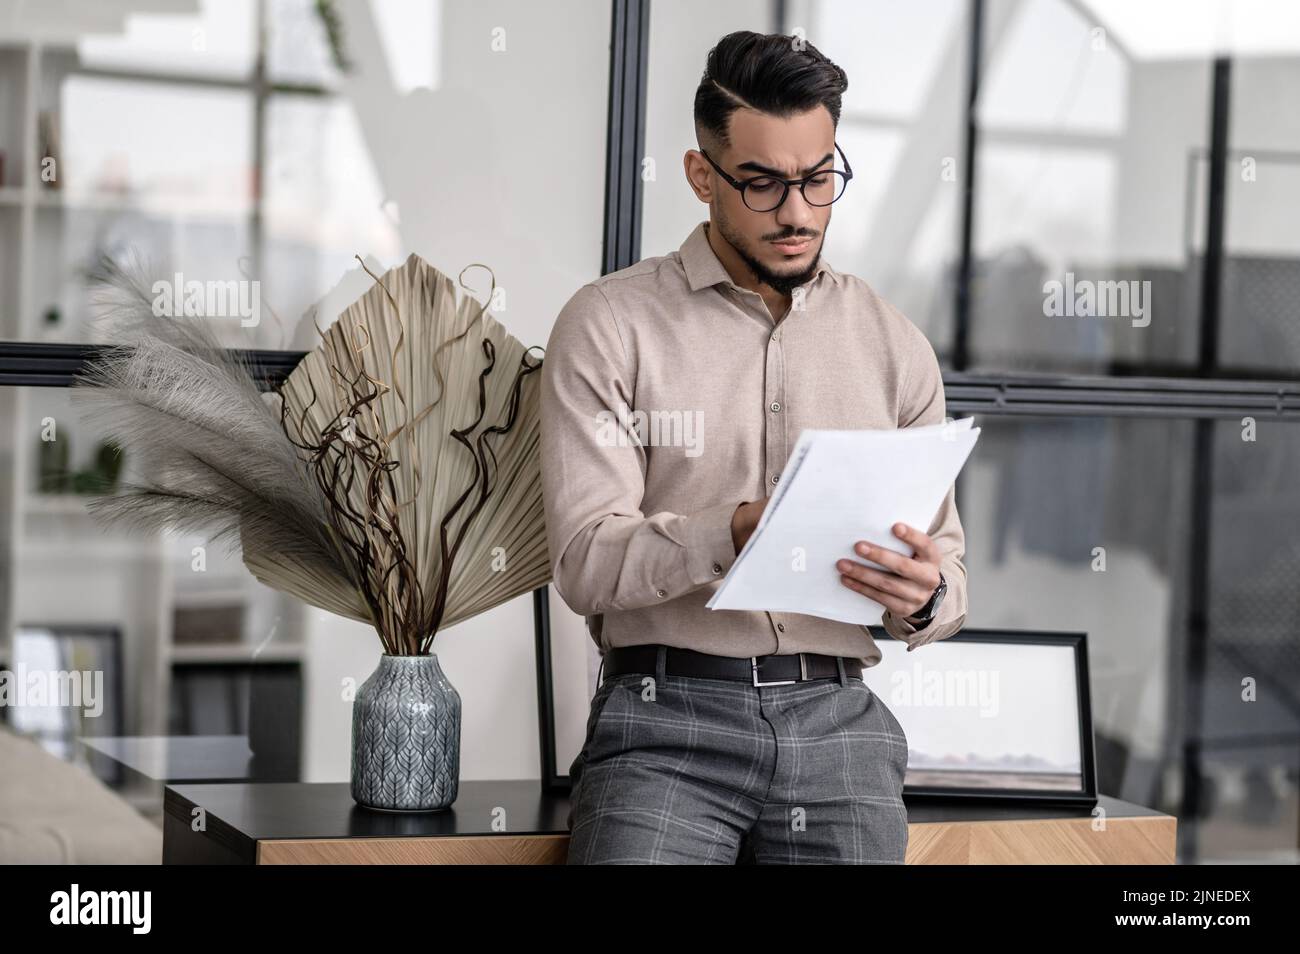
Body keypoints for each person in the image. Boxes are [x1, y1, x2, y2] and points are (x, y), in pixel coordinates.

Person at [540, 30, 968, 864]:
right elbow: (586, 564)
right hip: (665, 725)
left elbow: (948, 578)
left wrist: (920, 595)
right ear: (703, 176)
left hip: (840, 727)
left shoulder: (894, 343)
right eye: (764, 184)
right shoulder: (609, 324)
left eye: (817, 179)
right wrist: (738, 529)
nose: (799, 212)